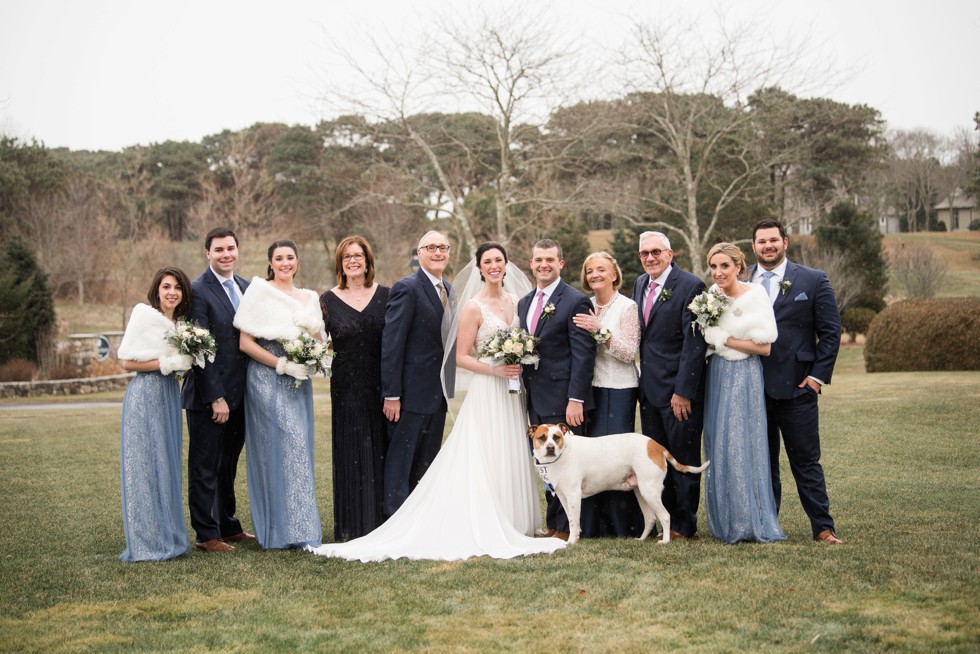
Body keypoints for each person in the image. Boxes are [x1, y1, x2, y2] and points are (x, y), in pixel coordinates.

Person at [308, 242, 566, 561]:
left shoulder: (513, 301)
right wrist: (494, 369)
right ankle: (402, 520)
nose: (495, 266)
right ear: (479, 267)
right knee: (471, 454)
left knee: (507, 449)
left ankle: (514, 519)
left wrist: (518, 358)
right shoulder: (466, 303)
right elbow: (446, 353)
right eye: (488, 261)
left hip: (508, 393)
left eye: (500, 260)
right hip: (477, 388)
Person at [749, 219, 844, 545]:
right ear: (754, 247)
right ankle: (767, 526)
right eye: (762, 242)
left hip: (797, 388)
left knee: (805, 461)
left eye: (773, 240)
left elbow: (831, 333)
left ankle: (822, 527)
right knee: (763, 463)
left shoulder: (813, 280)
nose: (768, 246)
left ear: (785, 242)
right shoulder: (741, 279)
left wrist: (816, 378)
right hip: (753, 390)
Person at [234, 239, 324, 549]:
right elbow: (246, 343)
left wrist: (314, 331)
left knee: (298, 447)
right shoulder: (258, 292)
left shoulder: (310, 297)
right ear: (270, 263)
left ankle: (300, 527)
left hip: (299, 380)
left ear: (297, 261)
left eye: (290, 257)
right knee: (279, 448)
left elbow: (321, 343)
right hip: (266, 376)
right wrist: (281, 364)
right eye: (279, 258)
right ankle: (280, 530)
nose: (285, 263)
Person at [700, 243, 786, 544]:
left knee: (740, 441)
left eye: (725, 266)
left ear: (739, 266)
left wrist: (724, 339)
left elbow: (764, 346)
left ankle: (749, 520)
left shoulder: (755, 295)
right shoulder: (710, 296)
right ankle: (724, 518)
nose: (719, 272)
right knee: (719, 441)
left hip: (743, 374)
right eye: (714, 267)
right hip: (717, 375)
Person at [181, 227, 254, 553]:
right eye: (219, 250)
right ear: (207, 253)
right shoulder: (198, 291)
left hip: (241, 397)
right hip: (210, 398)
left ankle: (228, 524)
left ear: (237, 250)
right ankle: (206, 533)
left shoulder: (246, 287)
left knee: (228, 466)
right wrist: (216, 397)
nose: (226, 254)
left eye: (230, 248)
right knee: (205, 466)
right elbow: (200, 348)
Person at [632, 231, 707, 541]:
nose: (650, 258)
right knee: (656, 464)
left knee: (683, 457)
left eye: (656, 252)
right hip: (649, 391)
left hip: (678, 392)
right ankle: (664, 522)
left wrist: (683, 391)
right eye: (644, 254)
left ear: (670, 254)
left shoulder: (690, 286)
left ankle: (684, 525)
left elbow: (694, 343)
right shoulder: (639, 284)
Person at [519, 239, 596, 539]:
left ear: (561, 263)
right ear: (531, 263)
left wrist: (575, 399)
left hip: (564, 399)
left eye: (550, 260)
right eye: (538, 260)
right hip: (535, 397)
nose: (543, 265)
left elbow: (583, 354)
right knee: (547, 466)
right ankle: (555, 525)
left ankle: (566, 529)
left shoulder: (575, 300)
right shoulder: (525, 302)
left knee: (567, 467)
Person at [117, 266, 193, 562]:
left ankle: (167, 533)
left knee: (167, 464)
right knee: (146, 466)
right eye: (166, 287)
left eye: (177, 287)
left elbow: (181, 363)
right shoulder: (144, 316)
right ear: (157, 291)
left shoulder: (183, 326)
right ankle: (147, 541)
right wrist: (167, 363)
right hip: (145, 395)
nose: (172, 292)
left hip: (169, 397)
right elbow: (126, 361)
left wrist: (184, 362)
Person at [380, 231, 454, 518]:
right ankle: (395, 518)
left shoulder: (449, 289)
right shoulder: (406, 288)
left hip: (438, 396)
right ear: (419, 253)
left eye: (443, 248)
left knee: (427, 462)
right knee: (400, 462)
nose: (438, 252)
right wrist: (392, 393)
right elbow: (392, 344)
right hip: (408, 396)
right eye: (431, 247)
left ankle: (419, 518)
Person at [571, 251, 645, 538]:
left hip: (619, 390)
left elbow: (628, 353)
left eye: (601, 269)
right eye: (590, 271)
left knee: (614, 461)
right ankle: (591, 525)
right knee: (589, 460)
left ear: (614, 274)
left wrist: (600, 330)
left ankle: (622, 525)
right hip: (590, 393)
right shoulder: (583, 305)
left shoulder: (627, 307)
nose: (595, 275)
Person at [320, 236, 390, 542]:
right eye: (347, 256)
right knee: (351, 452)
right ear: (340, 263)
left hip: (382, 386)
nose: (353, 260)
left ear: (368, 260)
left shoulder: (387, 295)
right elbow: (313, 341)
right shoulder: (326, 301)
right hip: (346, 387)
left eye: (358, 255)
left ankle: (382, 523)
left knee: (381, 452)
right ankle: (350, 527)